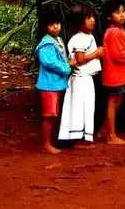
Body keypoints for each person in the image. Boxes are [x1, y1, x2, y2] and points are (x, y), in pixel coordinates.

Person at [58, 6, 103, 147]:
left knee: (86, 107)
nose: (92, 20)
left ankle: (82, 137)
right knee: (80, 107)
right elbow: (80, 59)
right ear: (79, 22)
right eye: (88, 18)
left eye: (93, 17)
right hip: (80, 78)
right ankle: (77, 138)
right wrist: (96, 54)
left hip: (85, 78)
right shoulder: (79, 39)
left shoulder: (87, 37)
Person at [35, 8, 74, 154]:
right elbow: (49, 62)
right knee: (49, 114)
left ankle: (50, 141)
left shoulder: (57, 40)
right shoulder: (46, 43)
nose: (56, 26)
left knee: (53, 114)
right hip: (49, 84)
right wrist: (67, 67)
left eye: (57, 23)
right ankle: (46, 144)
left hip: (56, 83)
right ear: (46, 27)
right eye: (52, 24)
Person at [101, 0, 125, 145]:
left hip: (116, 74)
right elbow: (118, 55)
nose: (122, 15)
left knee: (118, 99)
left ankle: (106, 129)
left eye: (123, 11)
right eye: (117, 12)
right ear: (110, 16)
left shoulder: (117, 30)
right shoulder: (114, 32)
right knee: (113, 101)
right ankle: (111, 136)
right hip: (114, 73)